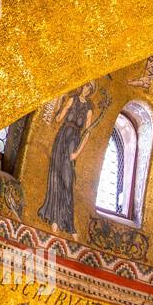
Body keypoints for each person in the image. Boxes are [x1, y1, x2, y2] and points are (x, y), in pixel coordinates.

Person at [37, 82, 95, 235]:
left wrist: (77, 153)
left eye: (90, 88)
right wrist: (59, 103)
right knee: (56, 176)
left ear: (91, 91)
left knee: (67, 180)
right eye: (85, 86)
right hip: (61, 139)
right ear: (82, 87)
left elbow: (87, 134)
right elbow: (58, 119)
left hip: (73, 143)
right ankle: (55, 218)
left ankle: (68, 223)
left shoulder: (89, 109)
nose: (86, 89)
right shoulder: (72, 99)